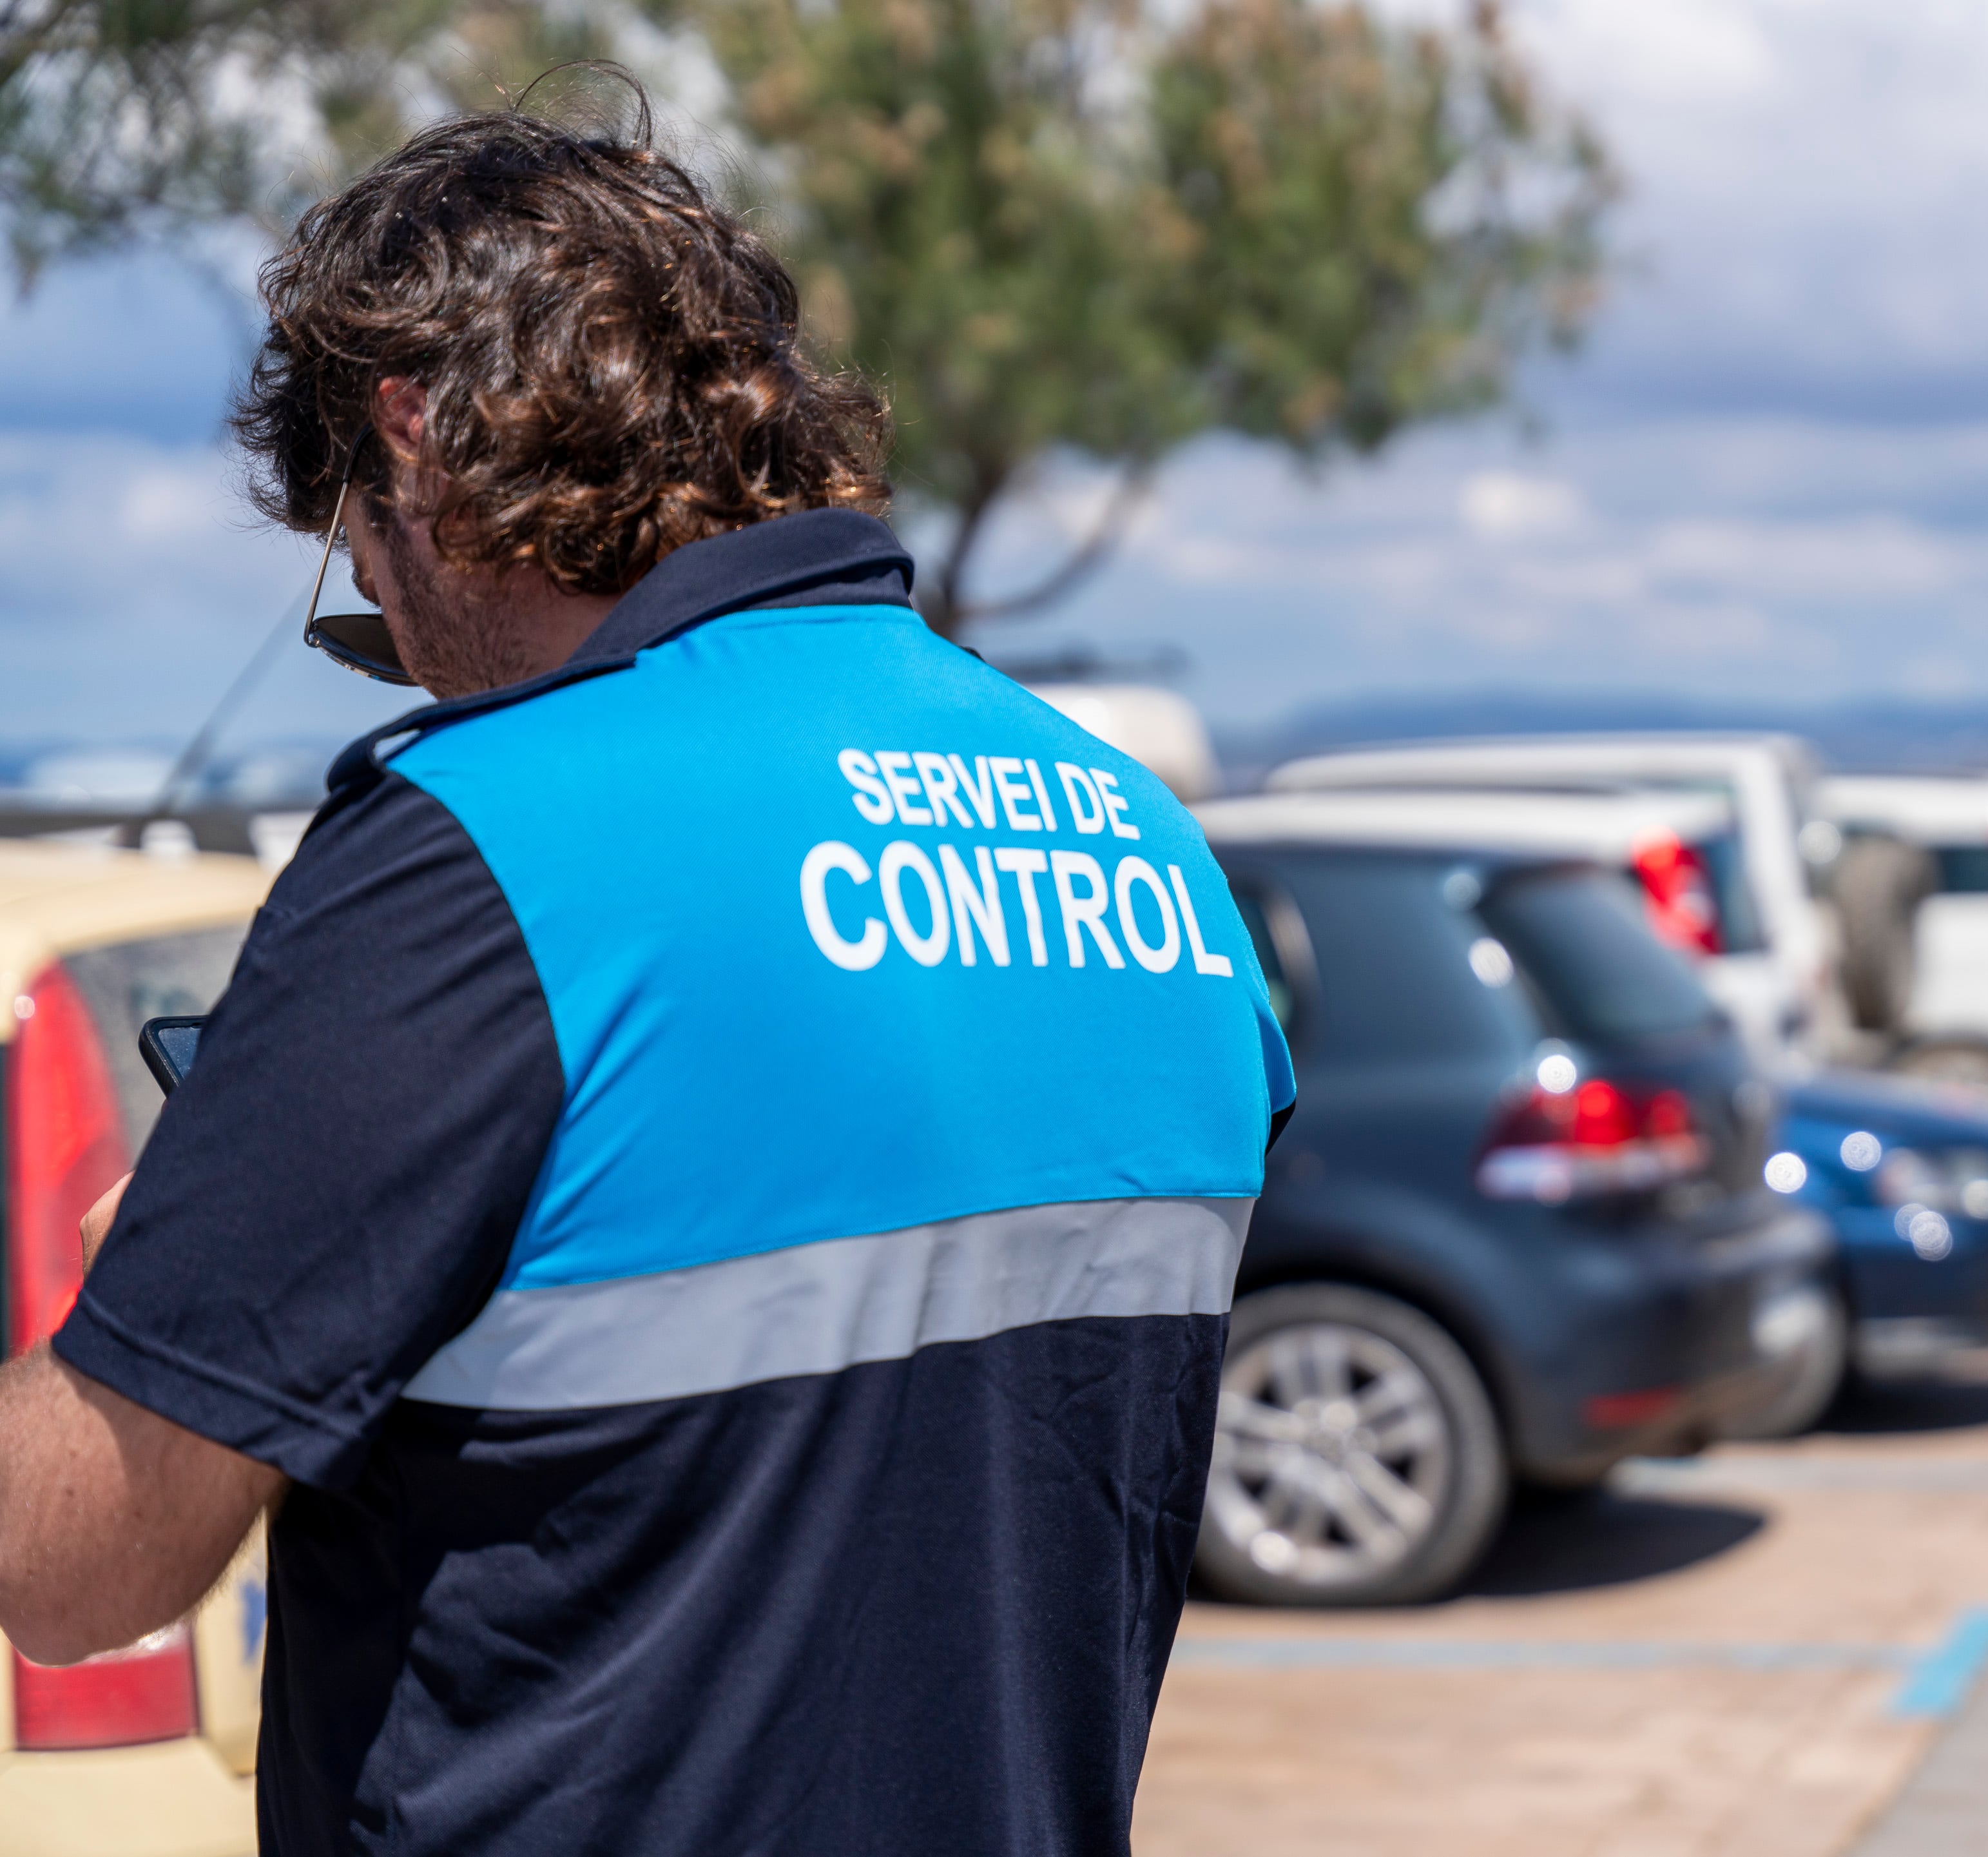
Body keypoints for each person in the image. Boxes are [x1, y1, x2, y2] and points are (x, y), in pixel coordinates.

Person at [0, 101, 1291, 1856]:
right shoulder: (1143, 843)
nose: (382, 619)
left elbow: (80, 1562)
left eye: (352, 563)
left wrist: (153, 1310)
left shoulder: (484, 847)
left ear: (414, 442)